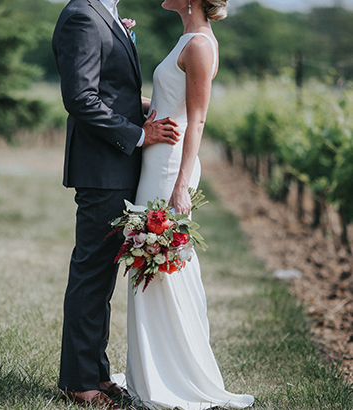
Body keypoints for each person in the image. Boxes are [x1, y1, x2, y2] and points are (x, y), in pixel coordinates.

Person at [125, 0, 255, 408]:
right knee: (149, 263)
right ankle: (151, 370)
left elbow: (197, 119)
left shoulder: (199, 45)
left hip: (170, 168)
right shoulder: (186, 39)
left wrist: (181, 184)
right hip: (156, 160)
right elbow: (171, 104)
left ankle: (175, 375)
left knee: (162, 262)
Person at [51, 0, 180, 408]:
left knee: (102, 278)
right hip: (102, 169)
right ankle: (78, 382)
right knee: (91, 276)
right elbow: (81, 97)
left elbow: (114, 91)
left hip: (113, 168)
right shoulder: (82, 16)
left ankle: (97, 373)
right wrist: (139, 135)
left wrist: (164, 108)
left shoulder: (104, 14)